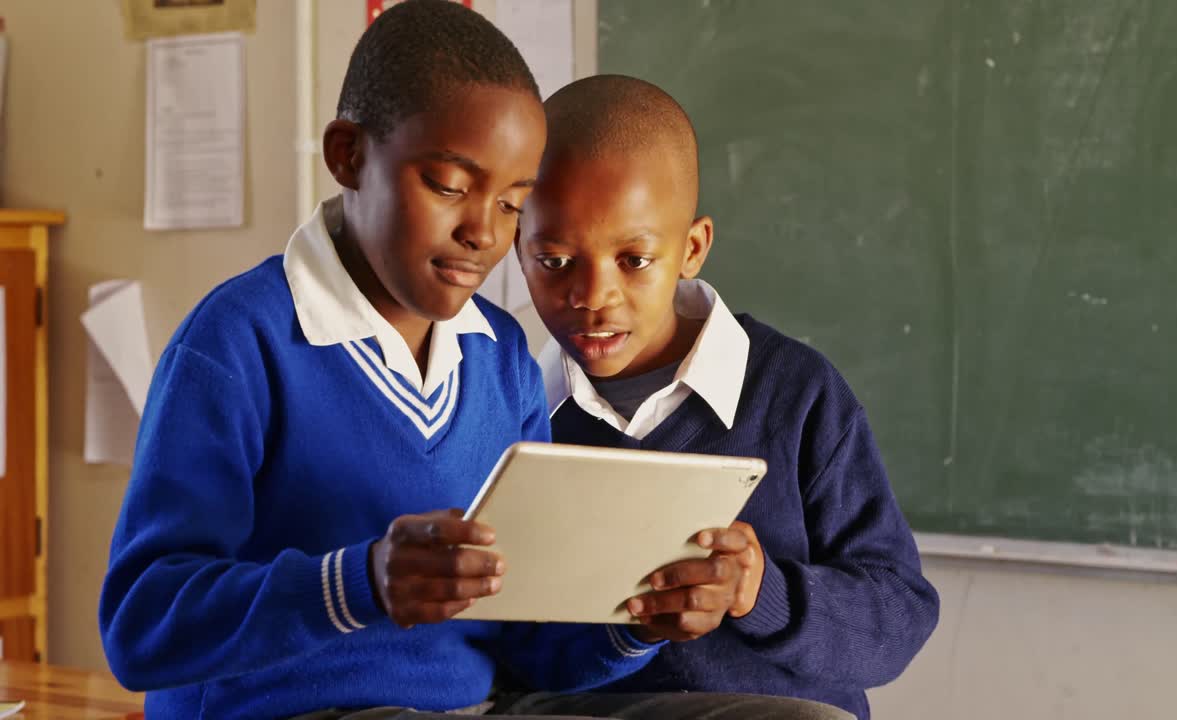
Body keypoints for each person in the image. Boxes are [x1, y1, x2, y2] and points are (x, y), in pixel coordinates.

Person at [99, 6, 745, 719]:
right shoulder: (237, 342)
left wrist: (635, 618)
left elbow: (526, 644)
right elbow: (139, 631)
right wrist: (360, 582)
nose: (481, 231)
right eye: (447, 185)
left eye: (510, 205)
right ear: (348, 155)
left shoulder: (500, 358)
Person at [506, 74, 940, 720]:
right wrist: (628, 631)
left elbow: (898, 620)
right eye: (555, 261)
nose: (593, 296)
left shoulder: (796, 395)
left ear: (693, 248)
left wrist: (760, 591)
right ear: (516, 247)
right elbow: (503, 641)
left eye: (634, 260)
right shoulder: (512, 401)